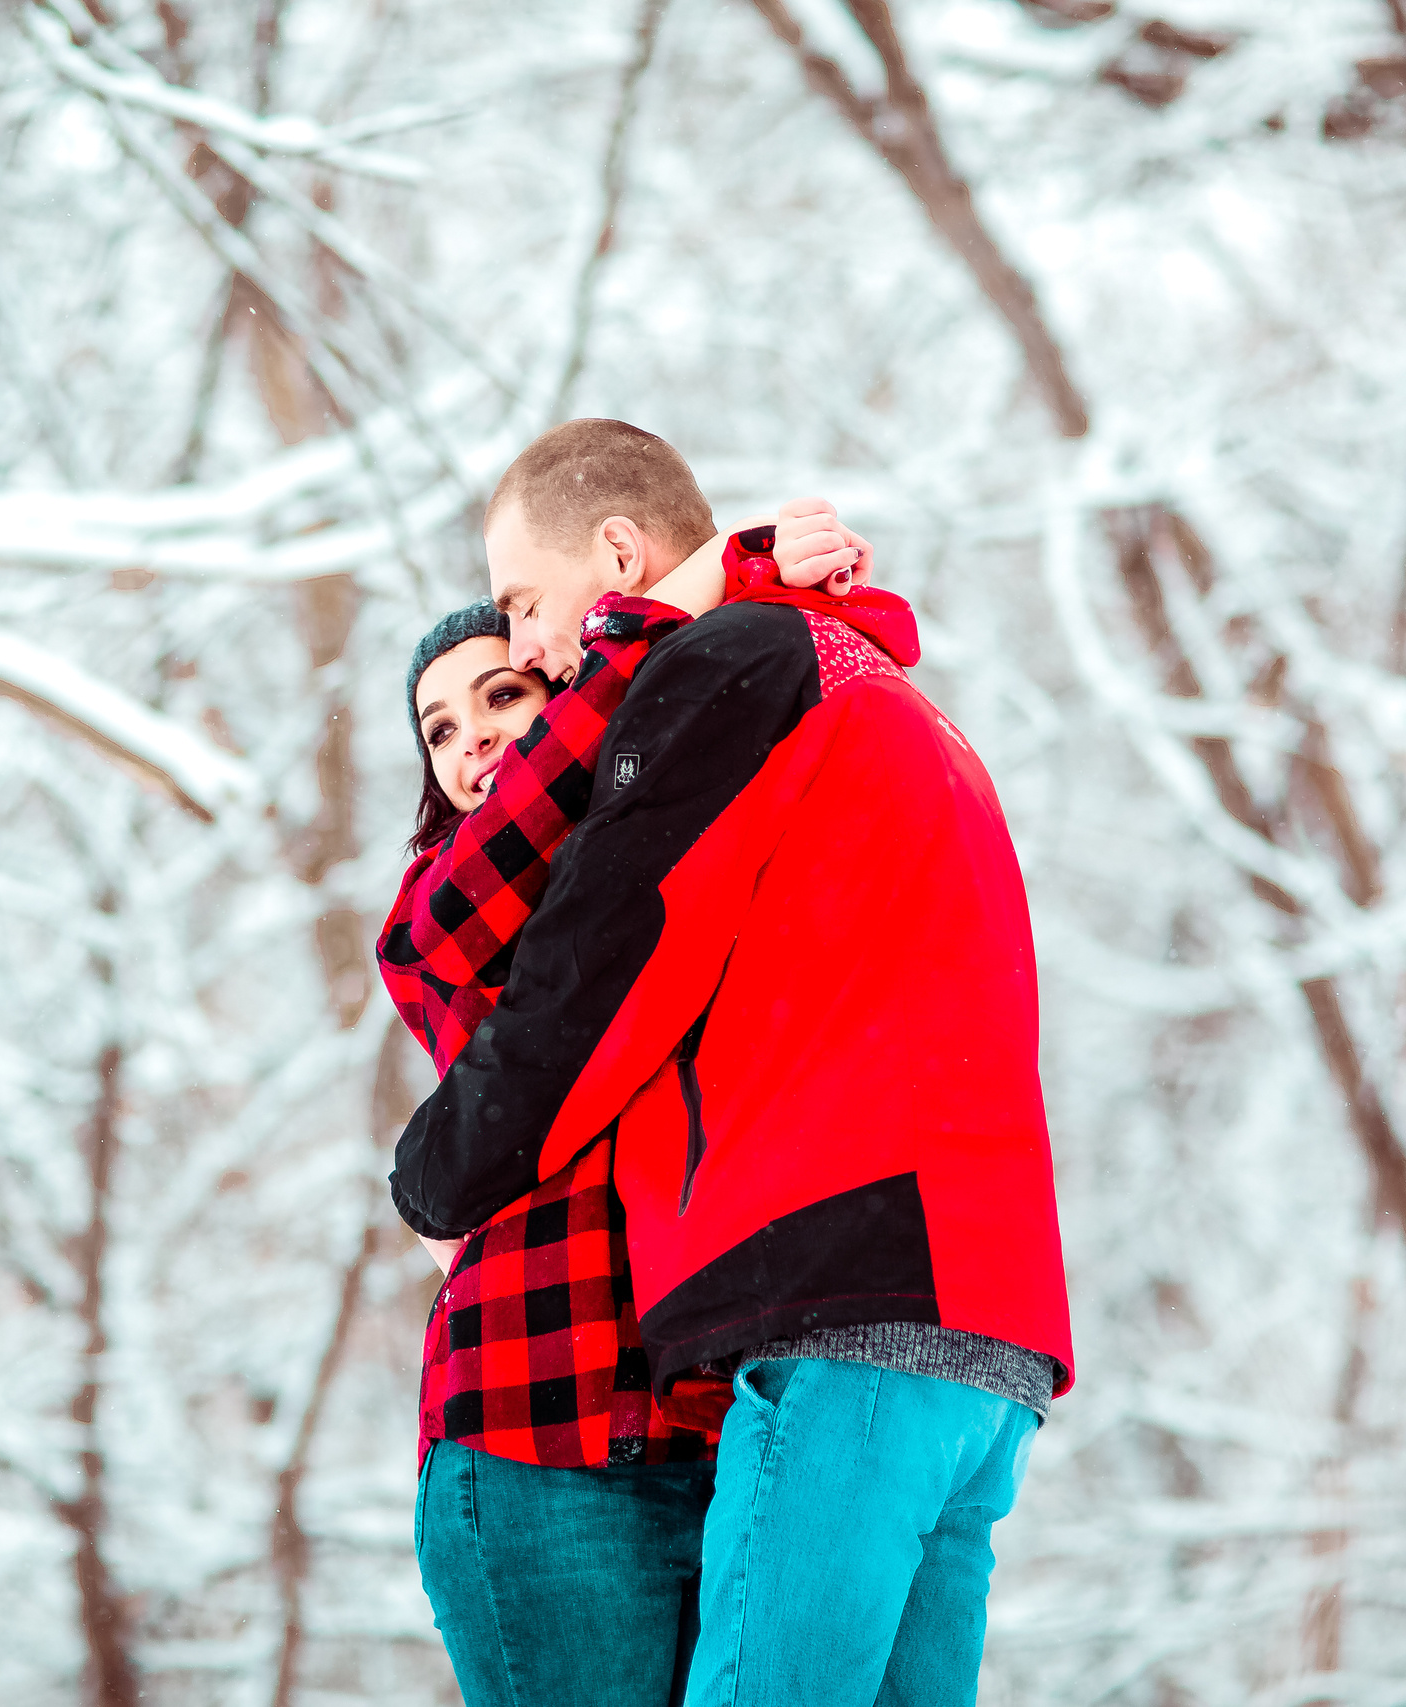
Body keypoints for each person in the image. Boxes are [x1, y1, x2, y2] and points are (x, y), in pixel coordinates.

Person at [391, 418, 1075, 1707]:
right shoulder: (874, 689)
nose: (529, 644)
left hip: (846, 1303)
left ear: (615, 552)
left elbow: (601, 969)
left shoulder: (727, 669)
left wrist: (437, 1170)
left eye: (530, 608)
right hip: (992, 1330)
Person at [381, 500, 860, 1707]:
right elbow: (531, 839)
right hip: (534, 1439)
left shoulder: (659, 838)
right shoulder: (439, 908)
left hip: (704, 1429)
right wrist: (696, 589)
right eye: (439, 729)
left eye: (502, 696)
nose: (473, 740)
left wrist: (758, 593)